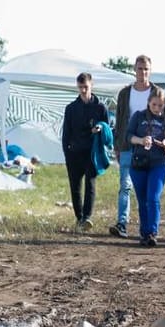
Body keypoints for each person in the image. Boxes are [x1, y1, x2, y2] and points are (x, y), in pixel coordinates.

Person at [108, 56, 155, 239]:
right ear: (134, 70)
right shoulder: (125, 93)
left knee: (146, 189)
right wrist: (117, 145)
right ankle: (122, 222)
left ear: (150, 71)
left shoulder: (156, 92)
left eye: (146, 69)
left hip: (150, 148)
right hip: (128, 144)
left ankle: (148, 227)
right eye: (140, 68)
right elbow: (120, 120)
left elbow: (164, 119)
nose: (142, 72)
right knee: (125, 186)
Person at [126, 86, 165, 247]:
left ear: (164, 105)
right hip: (139, 163)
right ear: (149, 103)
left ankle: (153, 232)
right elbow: (128, 136)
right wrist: (141, 140)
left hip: (158, 164)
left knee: (153, 198)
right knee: (142, 200)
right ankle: (145, 232)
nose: (157, 108)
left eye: (160, 105)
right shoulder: (138, 116)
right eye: (154, 105)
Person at [61, 72, 109, 231]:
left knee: (90, 184)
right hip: (74, 152)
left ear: (91, 86)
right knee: (75, 187)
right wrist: (67, 154)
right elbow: (66, 133)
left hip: (92, 152)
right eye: (80, 87)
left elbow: (108, 128)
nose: (83, 90)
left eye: (86, 87)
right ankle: (79, 217)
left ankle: (87, 217)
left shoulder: (100, 108)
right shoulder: (71, 108)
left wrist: (101, 128)